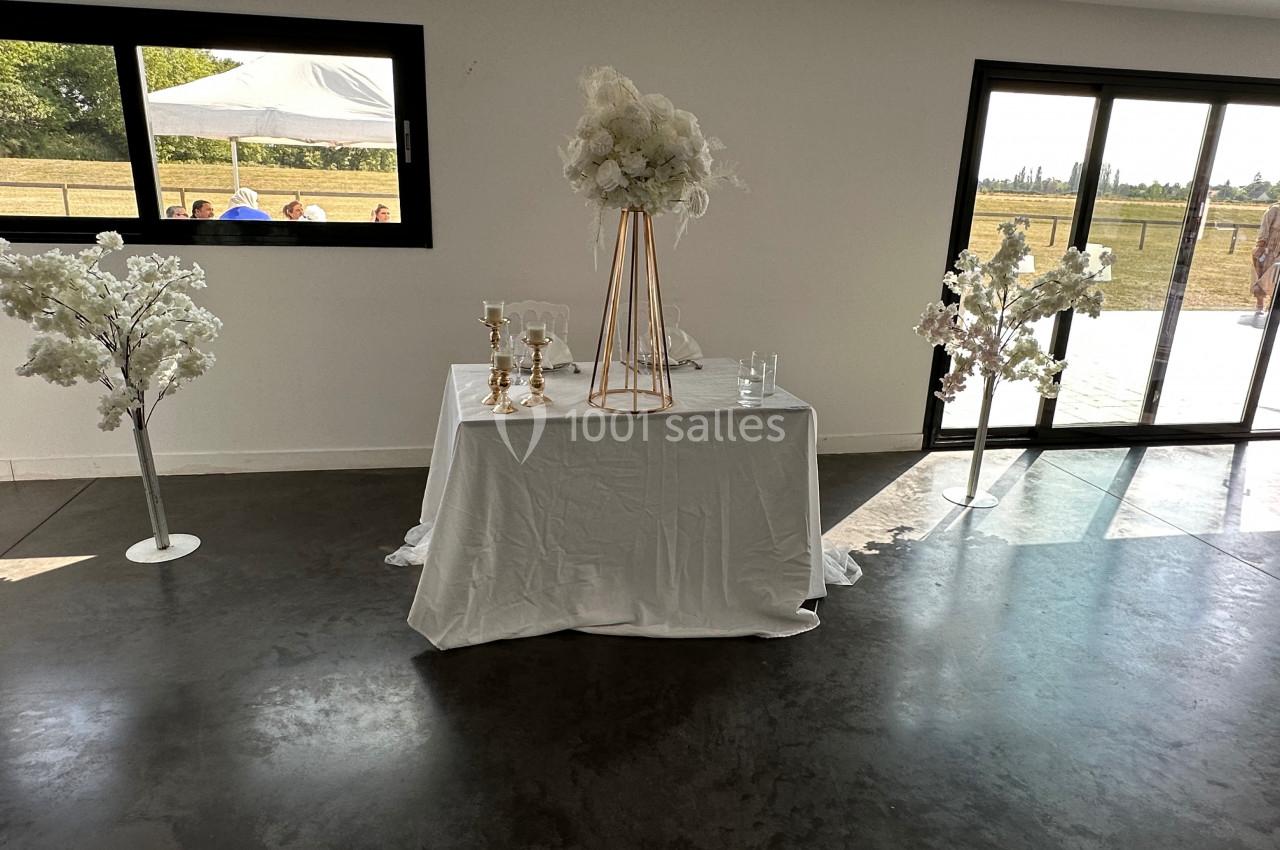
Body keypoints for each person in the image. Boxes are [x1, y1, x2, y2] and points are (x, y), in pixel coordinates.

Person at [1250, 203, 1280, 328]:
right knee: (1262, 276)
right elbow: (1265, 227)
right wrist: (1261, 245)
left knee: (1276, 279)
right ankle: (1260, 305)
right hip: (1269, 248)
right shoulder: (1275, 209)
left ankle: (1272, 307)